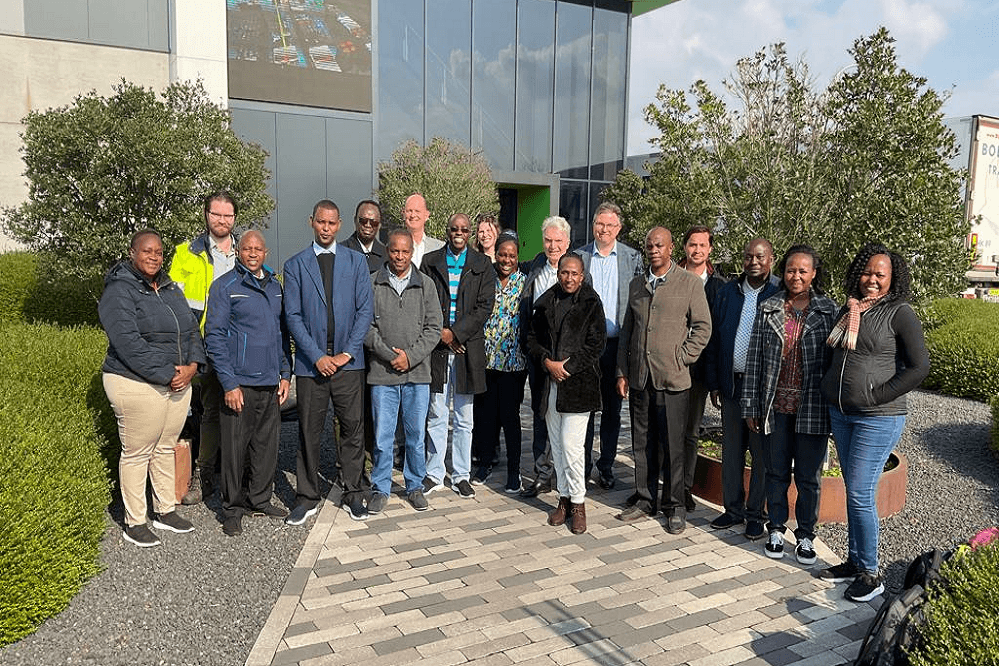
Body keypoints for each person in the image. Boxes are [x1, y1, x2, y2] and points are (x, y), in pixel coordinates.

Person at [819, 243, 930, 602]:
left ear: (892, 278)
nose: (872, 280)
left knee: (862, 492)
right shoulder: (850, 309)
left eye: (880, 275)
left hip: (877, 417)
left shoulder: (900, 313)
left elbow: (919, 368)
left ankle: (871, 573)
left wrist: (875, 396)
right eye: (867, 272)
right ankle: (854, 562)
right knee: (854, 489)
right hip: (842, 413)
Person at [99, 229, 204, 547]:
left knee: (165, 446)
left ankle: (165, 510)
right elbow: (127, 342)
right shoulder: (119, 290)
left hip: (176, 381)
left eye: (158, 252)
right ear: (132, 253)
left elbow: (190, 329)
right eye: (147, 251)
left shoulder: (171, 288)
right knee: (137, 451)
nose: (154, 257)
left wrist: (193, 367)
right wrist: (166, 373)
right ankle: (135, 521)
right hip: (135, 382)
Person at [742, 244, 837, 565]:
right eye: (791, 270)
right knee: (776, 472)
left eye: (803, 271)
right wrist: (751, 405)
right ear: (783, 271)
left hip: (812, 408)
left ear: (813, 274)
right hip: (774, 407)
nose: (796, 276)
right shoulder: (768, 306)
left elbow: (836, 362)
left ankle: (807, 535)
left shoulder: (828, 311)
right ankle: (777, 528)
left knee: (809, 477)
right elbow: (754, 358)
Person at [283, 200, 374, 524]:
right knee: (308, 431)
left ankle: (353, 493)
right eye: (321, 222)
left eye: (332, 223)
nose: (326, 228)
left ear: (339, 225)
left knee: (352, 430)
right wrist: (318, 356)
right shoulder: (295, 265)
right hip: (312, 366)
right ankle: (307, 496)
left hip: (349, 364)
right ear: (312, 222)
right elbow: (292, 315)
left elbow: (365, 311)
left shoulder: (356, 262)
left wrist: (346, 353)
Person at [616, 227, 711, 534]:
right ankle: (645, 499)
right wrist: (622, 372)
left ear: (671, 249)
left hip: (673, 380)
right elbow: (627, 333)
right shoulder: (637, 284)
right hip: (641, 379)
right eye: (649, 245)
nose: (654, 249)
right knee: (642, 444)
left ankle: (674, 506)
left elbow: (702, 328)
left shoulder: (689, 283)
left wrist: (681, 357)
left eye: (659, 245)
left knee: (673, 446)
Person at [204, 231, 292, 537]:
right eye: (247, 248)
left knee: (266, 447)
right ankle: (231, 509)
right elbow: (213, 338)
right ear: (238, 252)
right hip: (238, 384)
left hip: (269, 382)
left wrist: (285, 374)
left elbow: (281, 336)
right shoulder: (225, 287)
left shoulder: (275, 287)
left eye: (258, 249)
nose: (252, 253)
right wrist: (228, 384)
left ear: (266, 252)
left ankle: (260, 499)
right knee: (234, 449)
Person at [704, 238, 780, 541]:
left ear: (771, 259)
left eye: (760, 257)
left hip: (762, 389)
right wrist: (715, 383)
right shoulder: (727, 292)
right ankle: (732, 509)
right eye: (748, 257)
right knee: (732, 452)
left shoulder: (779, 294)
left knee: (760, 455)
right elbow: (714, 342)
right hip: (732, 384)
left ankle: (754, 515)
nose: (753, 262)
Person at [526, 253, 606, 534]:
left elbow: (597, 344)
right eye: (564, 273)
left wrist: (567, 367)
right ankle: (563, 498)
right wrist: (547, 363)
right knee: (557, 447)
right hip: (550, 384)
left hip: (577, 385)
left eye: (574, 274)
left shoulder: (591, 302)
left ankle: (579, 503)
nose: (569, 278)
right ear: (558, 273)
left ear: (582, 276)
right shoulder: (547, 301)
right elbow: (531, 339)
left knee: (573, 448)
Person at [364, 229, 443, 513]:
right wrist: (389, 355)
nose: (400, 256)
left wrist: (410, 357)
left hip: (417, 374)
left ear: (412, 252)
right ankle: (380, 487)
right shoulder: (372, 283)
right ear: (388, 251)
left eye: (405, 252)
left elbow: (434, 328)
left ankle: (414, 485)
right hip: (383, 374)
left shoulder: (426, 285)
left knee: (415, 435)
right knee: (383, 436)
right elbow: (365, 327)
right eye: (395, 251)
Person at [169, 191, 239, 505]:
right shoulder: (186, 254)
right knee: (211, 411)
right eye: (216, 214)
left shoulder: (245, 251)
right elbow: (175, 308)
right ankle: (204, 475)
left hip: (242, 346)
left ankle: (241, 476)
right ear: (206, 215)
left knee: (241, 411)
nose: (222, 220)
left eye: (228, 215)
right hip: (207, 345)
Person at [421, 213, 496, 499]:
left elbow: (484, 306)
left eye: (465, 229)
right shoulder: (430, 261)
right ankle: (434, 473)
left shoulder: (482, 264)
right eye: (454, 229)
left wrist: (456, 334)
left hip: (467, 349)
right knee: (437, 413)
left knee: (465, 417)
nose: (459, 233)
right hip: (437, 348)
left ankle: (461, 475)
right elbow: (425, 302)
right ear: (447, 230)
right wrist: (442, 334)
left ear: (470, 234)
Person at [577, 202, 644, 491]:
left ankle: (606, 466)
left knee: (613, 411)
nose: (603, 230)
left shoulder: (632, 258)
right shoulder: (579, 256)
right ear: (593, 225)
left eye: (609, 225)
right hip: (587, 347)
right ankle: (583, 466)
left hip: (617, 346)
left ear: (618, 228)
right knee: (586, 410)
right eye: (599, 224)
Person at [471, 233, 529, 492]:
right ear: (496, 254)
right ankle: (484, 463)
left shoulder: (525, 282)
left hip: (514, 364)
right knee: (485, 416)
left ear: (518, 258)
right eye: (503, 254)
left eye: (512, 255)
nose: (506, 259)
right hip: (486, 360)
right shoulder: (486, 278)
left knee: (510, 417)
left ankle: (514, 471)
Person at [519, 216, 571, 498]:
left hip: (566, 359)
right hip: (538, 355)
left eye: (558, 241)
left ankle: (567, 472)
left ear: (568, 243)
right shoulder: (536, 266)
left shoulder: (574, 269)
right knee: (540, 413)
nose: (553, 246)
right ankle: (543, 474)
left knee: (566, 417)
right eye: (548, 240)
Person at [678, 225, 727, 512]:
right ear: (684, 247)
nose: (697, 250)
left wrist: (714, 381)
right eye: (692, 244)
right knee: (666, 430)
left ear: (709, 250)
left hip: (698, 373)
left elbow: (717, 335)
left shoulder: (719, 287)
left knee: (690, 432)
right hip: (669, 368)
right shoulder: (670, 277)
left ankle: (684, 487)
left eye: (702, 245)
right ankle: (666, 485)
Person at [343, 200, 386, 273]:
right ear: (355, 221)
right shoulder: (340, 253)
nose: (368, 225)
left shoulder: (387, 256)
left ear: (379, 225)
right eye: (363, 220)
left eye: (373, 222)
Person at [403, 193, 445, 268]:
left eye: (417, 211)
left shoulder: (440, 248)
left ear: (426, 215)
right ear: (403, 214)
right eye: (409, 211)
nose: (413, 215)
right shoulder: (395, 248)